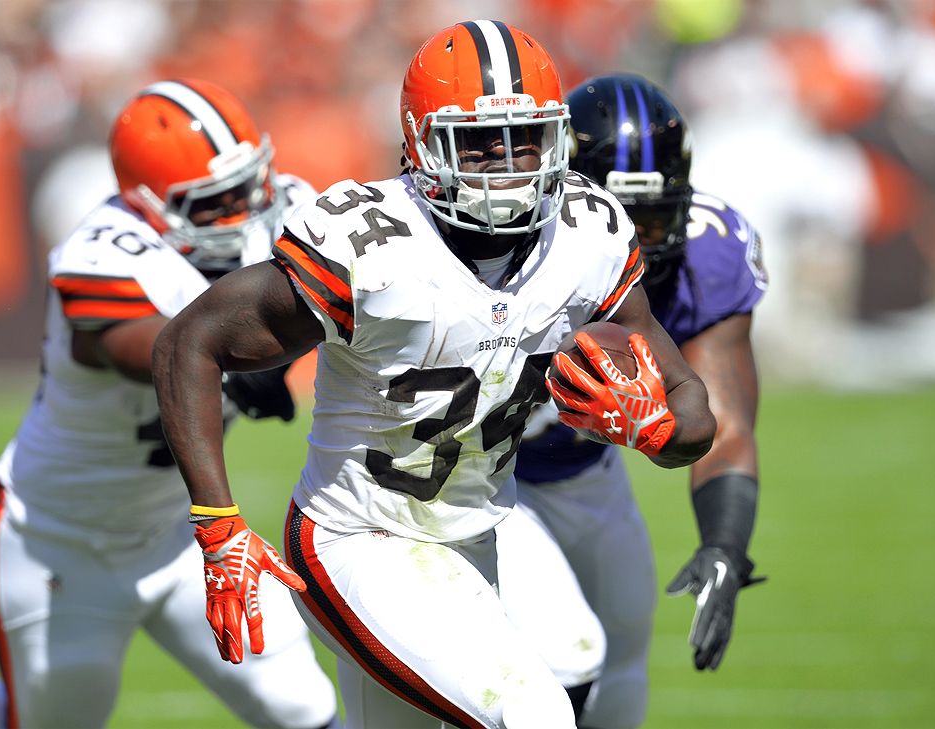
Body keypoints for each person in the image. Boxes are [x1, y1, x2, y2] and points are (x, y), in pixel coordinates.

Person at [151, 22, 717, 729]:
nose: (506, 164)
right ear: (422, 143)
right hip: (355, 538)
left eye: (525, 138)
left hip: (473, 534)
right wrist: (217, 524)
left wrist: (659, 430)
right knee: (535, 710)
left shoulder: (587, 234)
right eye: (478, 142)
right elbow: (189, 342)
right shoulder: (373, 246)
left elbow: (690, 399)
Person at [0, 78, 339, 729]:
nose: (254, 212)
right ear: (154, 207)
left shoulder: (288, 206)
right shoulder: (103, 257)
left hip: (181, 534)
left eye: (255, 185)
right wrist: (272, 349)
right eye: (221, 202)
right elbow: (176, 353)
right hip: (56, 540)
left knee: (307, 712)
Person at [500, 73, 767, 729]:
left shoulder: (708, 252)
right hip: (483, 473)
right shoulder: (503, 240)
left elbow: (723, 424)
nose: (637, 240)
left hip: (582, 473)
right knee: (556, 663)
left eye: (652, 217)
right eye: (621, 217)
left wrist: (726, 543)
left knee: (622, 642)